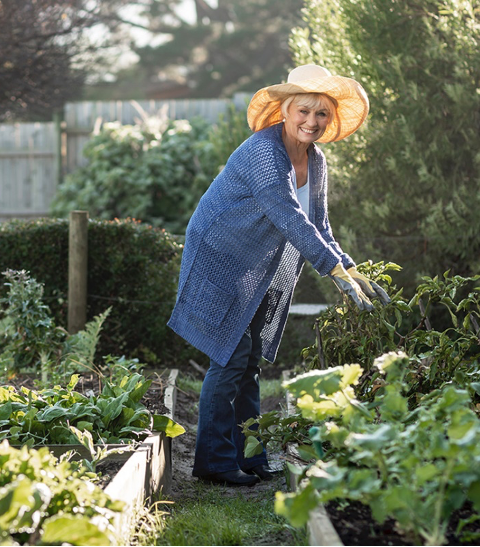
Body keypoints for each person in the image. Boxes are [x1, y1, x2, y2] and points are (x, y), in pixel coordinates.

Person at [167, 64, 390, 486]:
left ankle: (248, 454)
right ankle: (214, 461)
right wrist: (332, 270)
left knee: (250, 360)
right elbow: (288, 216)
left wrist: (350, 269)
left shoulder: (316, 160)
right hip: (220, 253)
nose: (312, 121)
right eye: (304, 111)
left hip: (254, 260)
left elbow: (318, 224)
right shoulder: (263, 153)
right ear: (284, 111)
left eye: (321, 113)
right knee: (230, 355)